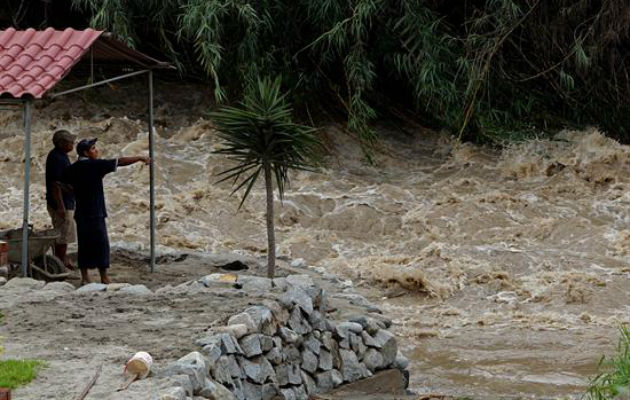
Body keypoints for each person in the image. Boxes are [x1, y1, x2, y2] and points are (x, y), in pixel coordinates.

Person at [63, 138, 150, 285]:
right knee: (101, 244)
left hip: (81, 212)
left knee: (84, 245)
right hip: (96, 211)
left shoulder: (74, 168)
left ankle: (85, 277)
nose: (96, 151)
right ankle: (104, 276)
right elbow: (120, 161)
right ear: (86, 152)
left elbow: (61, 183)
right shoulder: (96, 165)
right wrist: (140, 157)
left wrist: (76, 191)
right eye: (93, 148)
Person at [45, 129, 78, 270]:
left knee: (64, 234)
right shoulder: (56, 158)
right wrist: (60, 206)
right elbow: (55, 184)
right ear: (61, 143)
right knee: (62, 235)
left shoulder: (61, 155)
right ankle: (59, 262)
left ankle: (61, 259)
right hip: (61, 203)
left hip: (65, 201)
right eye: (70, 142)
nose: (73, 144)